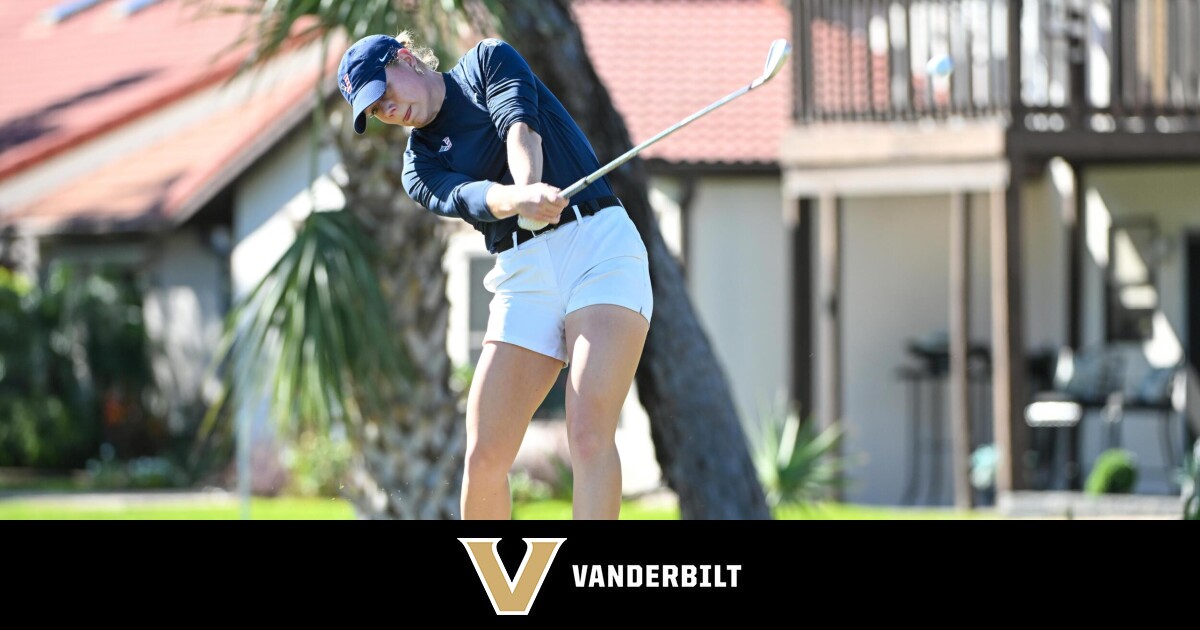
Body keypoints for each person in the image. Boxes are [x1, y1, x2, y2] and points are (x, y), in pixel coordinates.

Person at [336, 32, 653, 520]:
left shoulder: (487, 62)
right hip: (522, 273)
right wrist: (520, 201)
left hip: (597, 246)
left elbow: (519, 126)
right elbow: (473, 196)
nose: (388, 110)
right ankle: (492, 569)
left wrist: (530, 185)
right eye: (376, 110)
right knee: (483, 456)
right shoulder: (417, 167)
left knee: (589, 434)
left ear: (404, 59)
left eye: (384, 93)